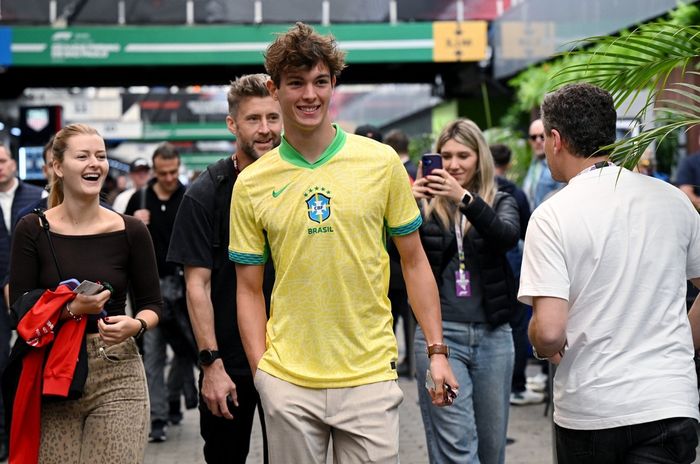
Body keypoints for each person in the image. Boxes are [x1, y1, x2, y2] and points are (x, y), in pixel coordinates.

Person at [229, 22, 457, 463]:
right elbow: (248, 288)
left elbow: (414, 262)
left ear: (334, 84)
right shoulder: (252, 183)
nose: (309, 95)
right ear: (275, 90)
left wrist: (436, 351)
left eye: (320, 81)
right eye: (296, 83)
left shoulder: (380, 162)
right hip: (288, 382)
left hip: (369, 376)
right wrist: (263, 376)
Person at [520, 83, 700, 463]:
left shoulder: (552, 215)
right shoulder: (673, 200)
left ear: (556, 139)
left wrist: (538, 339)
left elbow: (550, 332)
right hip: (669, 400)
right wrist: (683, 341)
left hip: (592, 408)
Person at [8, 123, 161, 463]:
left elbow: (152, 304)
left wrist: (136, 325)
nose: (95, 164)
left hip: (117, 368)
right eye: (83, 156)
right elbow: (19, 309)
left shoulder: (131, 230)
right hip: (54, 374)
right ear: (58, 167)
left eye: (101, 156)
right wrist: (72, 309)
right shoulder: (32, 228)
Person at [167, 73, 281, 463]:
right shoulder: (205, 193)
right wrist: (211, 365)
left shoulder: (299, 182)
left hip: (291, 360)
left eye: (272, 117)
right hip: (229, 362)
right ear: (232, 124)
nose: (265, 129)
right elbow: (196, 286)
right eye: (253, 119)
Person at [411, 119, 519, 464]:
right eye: (446, 156)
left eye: (463, 155)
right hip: (440, 339)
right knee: (456, 450)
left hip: (493, 338)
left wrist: (464, 199)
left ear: (479, 157)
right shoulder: (423, 206)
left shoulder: (500, 199)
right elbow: (395, 259)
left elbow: (506, 236)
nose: (454, 164)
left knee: (491, 450)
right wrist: (406, 208)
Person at [125, 143, 196, 442]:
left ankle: (172, 396)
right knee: (153, 353)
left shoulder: (190, 197)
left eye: (173, 172)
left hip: (184, 288)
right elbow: (122, 242)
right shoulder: (140, 199)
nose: (169, 178)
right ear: (155, 171)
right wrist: (134, 223)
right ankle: (157, 416)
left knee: (186, 350)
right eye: (163, 173)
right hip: (150, 290)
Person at [0, 143, 44, 460]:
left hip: (27, 292)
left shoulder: (34, 197)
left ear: (13, 163)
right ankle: (4, 436)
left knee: (24, 361)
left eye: (2, 161)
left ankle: (23, 429)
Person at [521, 118, 564, 211]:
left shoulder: (558, 165)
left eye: (542, 136)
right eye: (533, 137)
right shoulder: (534, 164)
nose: (538, 141)